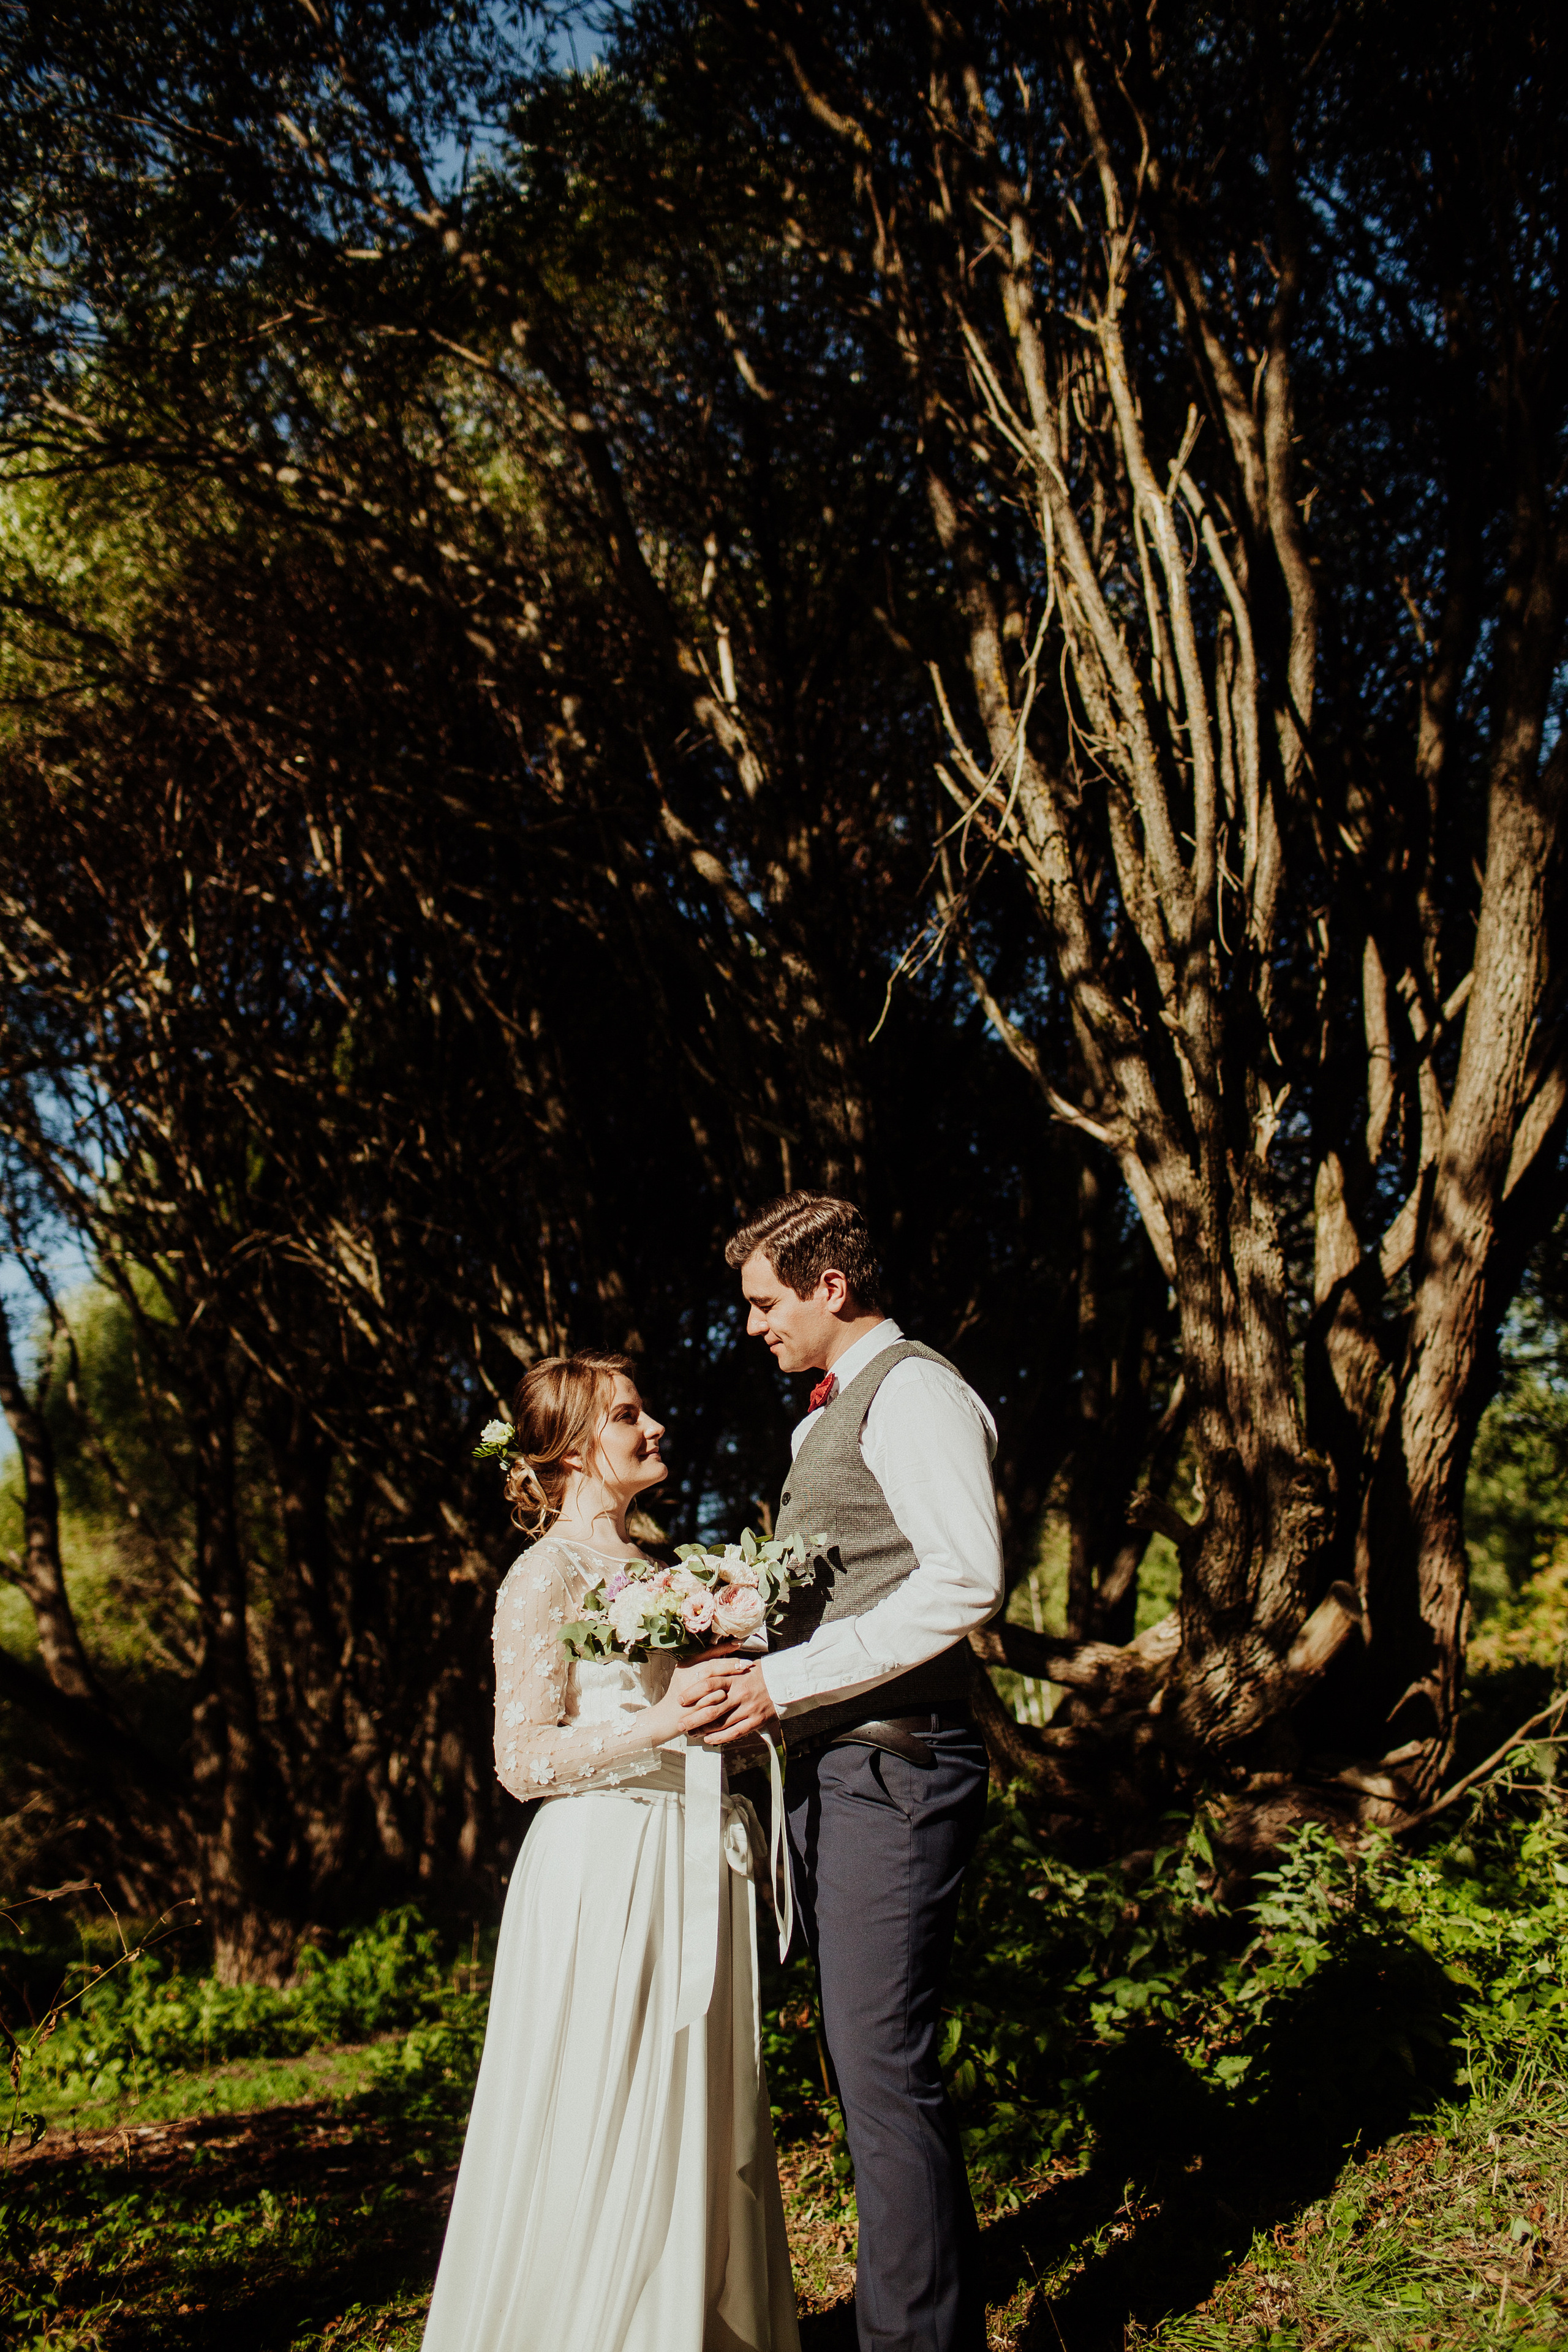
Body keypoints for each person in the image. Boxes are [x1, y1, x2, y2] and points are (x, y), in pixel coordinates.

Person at [421, 1350, 801, 2352]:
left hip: (690, 1852)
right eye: (630, 1414)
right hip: (602, 1868)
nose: (655, 1426)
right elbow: (521, 1759)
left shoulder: (658, 1569)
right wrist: (660, 1723)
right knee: (605, 2106)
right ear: (578, 1447)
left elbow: (678, 1707)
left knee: (698, 2116)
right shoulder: (539, 1577)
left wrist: (728, 1694)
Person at [698, 1193, 1004, 2352]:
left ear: (833, 1288)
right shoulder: (818, 1421)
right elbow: (862, 1583)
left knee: (884, 2071)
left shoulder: (915, 1390)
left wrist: (785, 1683)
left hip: (902, 1768)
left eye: (766, 1303)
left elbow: (967, 1580)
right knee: (867, 2070)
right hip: (846, 1772)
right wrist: (739, 1633)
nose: (751, 1327)